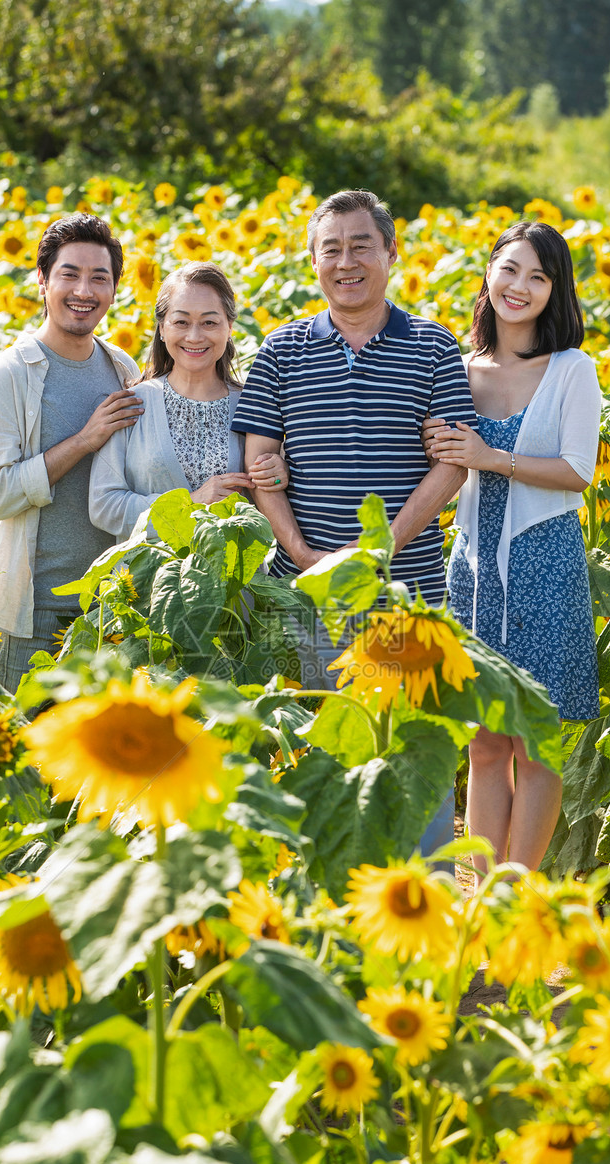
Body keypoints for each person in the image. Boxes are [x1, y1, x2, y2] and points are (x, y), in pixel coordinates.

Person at [232, 188, 477, 854]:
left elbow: (452, 464)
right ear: (312, 261)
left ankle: (420, 897)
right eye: (330, 249)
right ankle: (337, 912)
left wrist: (380, 550)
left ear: (391, 254)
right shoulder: (281, 350)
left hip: (406, 591)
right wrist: (304, 553)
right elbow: (260, 456)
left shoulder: (432, 346)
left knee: (413, 754)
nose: (346, 262)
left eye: (360, 246)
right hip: (303, 592)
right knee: (325, 755)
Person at [421, 220, 601, 883]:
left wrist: (491, 458)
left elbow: (578, 470)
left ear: (556, 292)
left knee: (538, 746)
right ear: (488, 274)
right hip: (471, 569)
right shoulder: (459, 370)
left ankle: (515, 892)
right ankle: (477, 893)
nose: (519, 287)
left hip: (545, 563)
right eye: (509, 269)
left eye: (538, 276)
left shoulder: (571, 370)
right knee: (485, 742)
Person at [0, 212, 143, 694]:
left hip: (107, 608)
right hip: (31, 614)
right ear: (43, 281)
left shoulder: (121, 367)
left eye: (99, 278)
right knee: (21, 761)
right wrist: (85, 441)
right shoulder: (8, 375)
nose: (83, 290)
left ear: (114, 291)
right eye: (69, 274)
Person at [89, 261, 286, 542]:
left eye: (209, 322)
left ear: (229, 327)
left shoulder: (253, 405)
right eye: (181, 322)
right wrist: (192, 502)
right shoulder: (131, 404)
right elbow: (103, 506)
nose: (194, 336)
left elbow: (269, 503)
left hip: (232, 581)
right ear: (161, 328)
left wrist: (280, 475)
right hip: (149, 582)